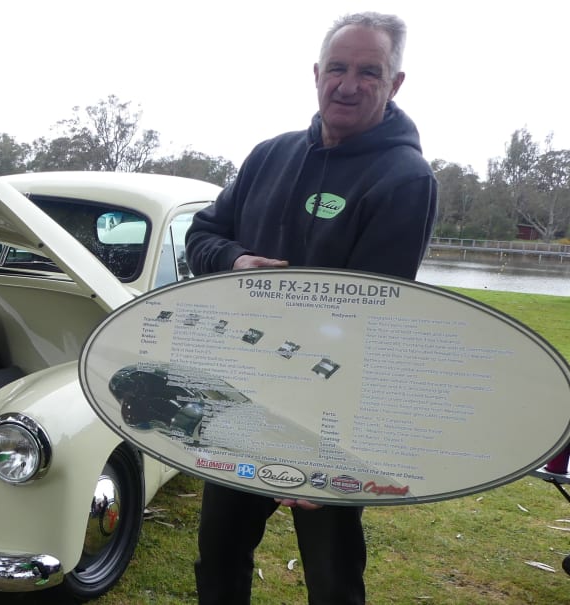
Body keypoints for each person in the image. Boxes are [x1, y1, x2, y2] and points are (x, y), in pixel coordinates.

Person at [185, 12, 437, 604]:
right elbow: (202, 235)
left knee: (332, 577)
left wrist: (335, 439)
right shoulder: (268, 156)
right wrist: (236, 262)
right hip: (240, 399)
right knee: (219, 558)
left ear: (395, 83)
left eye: (369, 71)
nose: (348, 84)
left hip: (327, 414)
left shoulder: (405, 177)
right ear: (317, 73)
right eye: (338, 68)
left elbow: (380, 320)